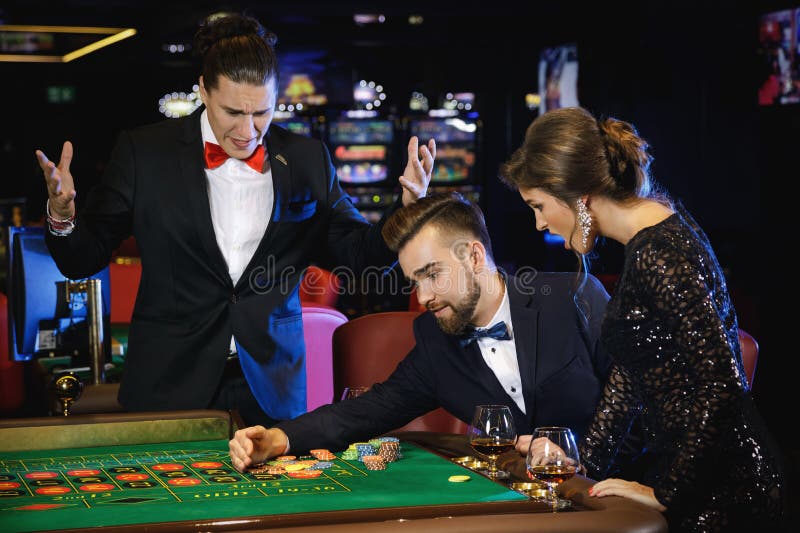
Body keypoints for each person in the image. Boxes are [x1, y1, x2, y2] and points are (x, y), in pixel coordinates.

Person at [35, 13, 435, 428]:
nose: (248, 131)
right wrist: (63, 216)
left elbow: (357, 257)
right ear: (203, 91)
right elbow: (82, 258)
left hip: (271, 386)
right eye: (233, 112)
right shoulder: (144, 153)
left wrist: (405, 207)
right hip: (169, 380)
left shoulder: (306, 160)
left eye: (262, 112)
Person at [501, 107, 784, 531]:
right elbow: (632, 375)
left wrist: (667, 494)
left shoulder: (659, 252)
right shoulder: (650, 236)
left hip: (723, 490)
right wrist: (581, 463)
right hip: (691, 475)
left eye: (539, 206)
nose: (540, 222)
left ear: (578, 196)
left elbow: (723, 384)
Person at [228, 192, 612, 470]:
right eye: (415, 281)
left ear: (475, 256)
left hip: (611, 500)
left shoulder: (574, 297)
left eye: (432, 274)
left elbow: (647, 404)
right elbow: (366, 411)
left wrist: (580, 457)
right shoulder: (436, 341)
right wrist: (278, 439)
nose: (423, 296)